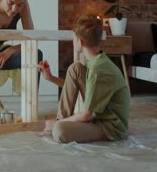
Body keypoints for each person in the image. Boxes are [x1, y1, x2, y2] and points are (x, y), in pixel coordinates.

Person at [38, 14, 130, 143]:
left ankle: (57, 125)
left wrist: (56, 124)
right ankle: (59, 122)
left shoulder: (98, 71)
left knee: (60, 131)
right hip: (100, 115)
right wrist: (50, 78)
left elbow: (87, 114)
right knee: (75, 69)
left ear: (80, 42)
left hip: (110, 126)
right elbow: (80, 85)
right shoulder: (95, 61)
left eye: (74, 39)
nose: (73, 42)